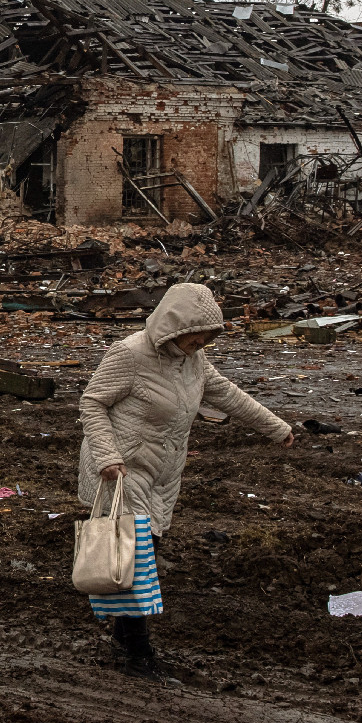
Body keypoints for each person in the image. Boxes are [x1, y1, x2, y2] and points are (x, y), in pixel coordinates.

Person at [77, 281, 293, 680]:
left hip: (162, 473)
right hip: (122, 470)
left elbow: (226, 394)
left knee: (137, 559)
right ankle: (139, 657)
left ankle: (123, 643)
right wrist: (107, 456)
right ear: (174, 326)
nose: (201, 341)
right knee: (139, 562)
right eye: (197, 334)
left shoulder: (192, 360)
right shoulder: (128, 354)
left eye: (207, 336)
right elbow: (92, 402)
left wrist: (275, 427)